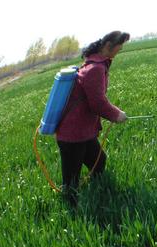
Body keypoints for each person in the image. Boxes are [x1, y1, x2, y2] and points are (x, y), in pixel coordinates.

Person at [55, 30, 130, 205]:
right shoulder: (95, 68)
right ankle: (72, 211)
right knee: (71, 183)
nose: (118, 53)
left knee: (99, 162)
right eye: (118, 49)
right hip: (73, 135)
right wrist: (117, 115)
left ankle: (97, 196)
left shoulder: (92, 63)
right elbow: (97, 102)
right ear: (108, 46)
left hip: (83, 132)